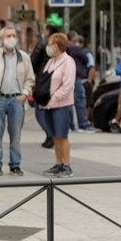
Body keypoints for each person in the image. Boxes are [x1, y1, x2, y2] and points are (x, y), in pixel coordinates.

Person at [0, 27, 34, 176]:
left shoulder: (24, 57)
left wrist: (24, 94)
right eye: (8, 35)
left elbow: (30, 78)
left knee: (15, 135)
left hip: (17, 100)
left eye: (14, 35)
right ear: (2, 39)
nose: (11, 38)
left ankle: (15, 165)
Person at [37, 33, 75, 176]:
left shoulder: (67, 61)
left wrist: (54, 98)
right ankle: (58, 163)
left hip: (61, 105)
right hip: (48, 105)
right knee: (54, 136)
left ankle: (67, 165)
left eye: (50, 44)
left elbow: (68, 86)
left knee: (62, 135)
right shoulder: (51, 61)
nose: (48, 47)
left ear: (58, 46)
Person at [30, 24, 58, 149]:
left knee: (40, 111)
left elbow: (33, 61)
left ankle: (50, 134)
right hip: (58, 81)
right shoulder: (61, 43)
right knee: (52, 110)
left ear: (47, 31)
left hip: (44, 81)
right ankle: (50, 136)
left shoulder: (42, 43)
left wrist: (34, 77)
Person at [66, 32, 95, 132]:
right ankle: (82, 124)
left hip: (66, 77)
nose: (76, 43)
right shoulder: (76, 49)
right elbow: (86, 59)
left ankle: (69, 124)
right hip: (76, 77)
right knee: (80, 101)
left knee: (68, 101)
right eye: (75, 41)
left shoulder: (63, 50)